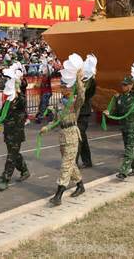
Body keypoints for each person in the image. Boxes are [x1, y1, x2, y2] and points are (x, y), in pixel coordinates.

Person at [41, 70, 86, 206]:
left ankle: (58, 195)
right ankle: (80, 185)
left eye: (65, 87)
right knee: (70, 163)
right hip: (62, 135)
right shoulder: (60, 103)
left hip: (72, 134)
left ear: (70, 88)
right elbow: (55, 120)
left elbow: (82, 96)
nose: (62, 89)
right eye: (61, 86)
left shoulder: (74, 101)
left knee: (66, 165)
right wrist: (47, 127)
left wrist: (78, 80)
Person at [0, 72, 31, 191]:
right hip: (8, 133)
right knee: (15, 154)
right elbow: (0, 117)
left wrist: (18, 90)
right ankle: (24, 171)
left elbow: (22, 101)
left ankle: (5, 179)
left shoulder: (20, 100)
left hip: (17, 133)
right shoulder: (7, 103)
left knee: (11, 156)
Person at [111, 77, 134, 179]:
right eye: (122, 84)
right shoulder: (119, 97)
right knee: (129, 147)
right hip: (124, 126)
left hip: (133, 125)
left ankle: (123, 171)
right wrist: (108, 112)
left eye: (125, 85)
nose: (123, 86)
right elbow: (116, 112)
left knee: (129, 148)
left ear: (131, 85)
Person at [76, 73, 95, 168]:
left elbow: (91, 90)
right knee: (81, 139)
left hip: (83, 115)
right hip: (75, 116)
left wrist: (92, 78)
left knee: (79, 138)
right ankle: (86, 161)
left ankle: (75, 162)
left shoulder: (85, 90)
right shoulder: (74, 88)